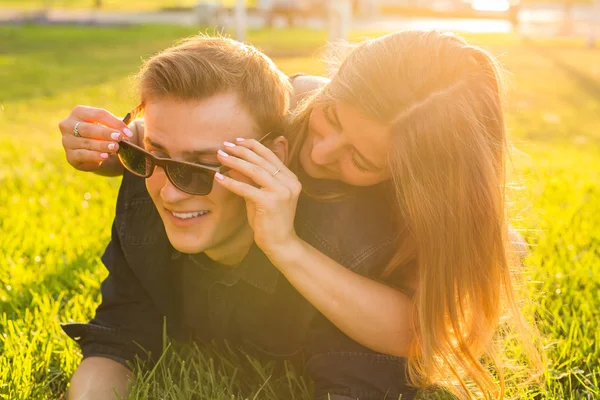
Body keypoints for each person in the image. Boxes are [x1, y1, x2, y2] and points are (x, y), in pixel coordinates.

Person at [59, 31, 540, 399]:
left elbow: (423, 337)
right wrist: (125, 145)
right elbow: (207, 116)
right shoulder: (301, 104)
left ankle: (508, 245)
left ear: (411, 178)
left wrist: (285, 246)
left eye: (361, 159)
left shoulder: (398, 215)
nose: (322, 151)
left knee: (502, 249)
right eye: (328, 117)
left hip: (410, 255)